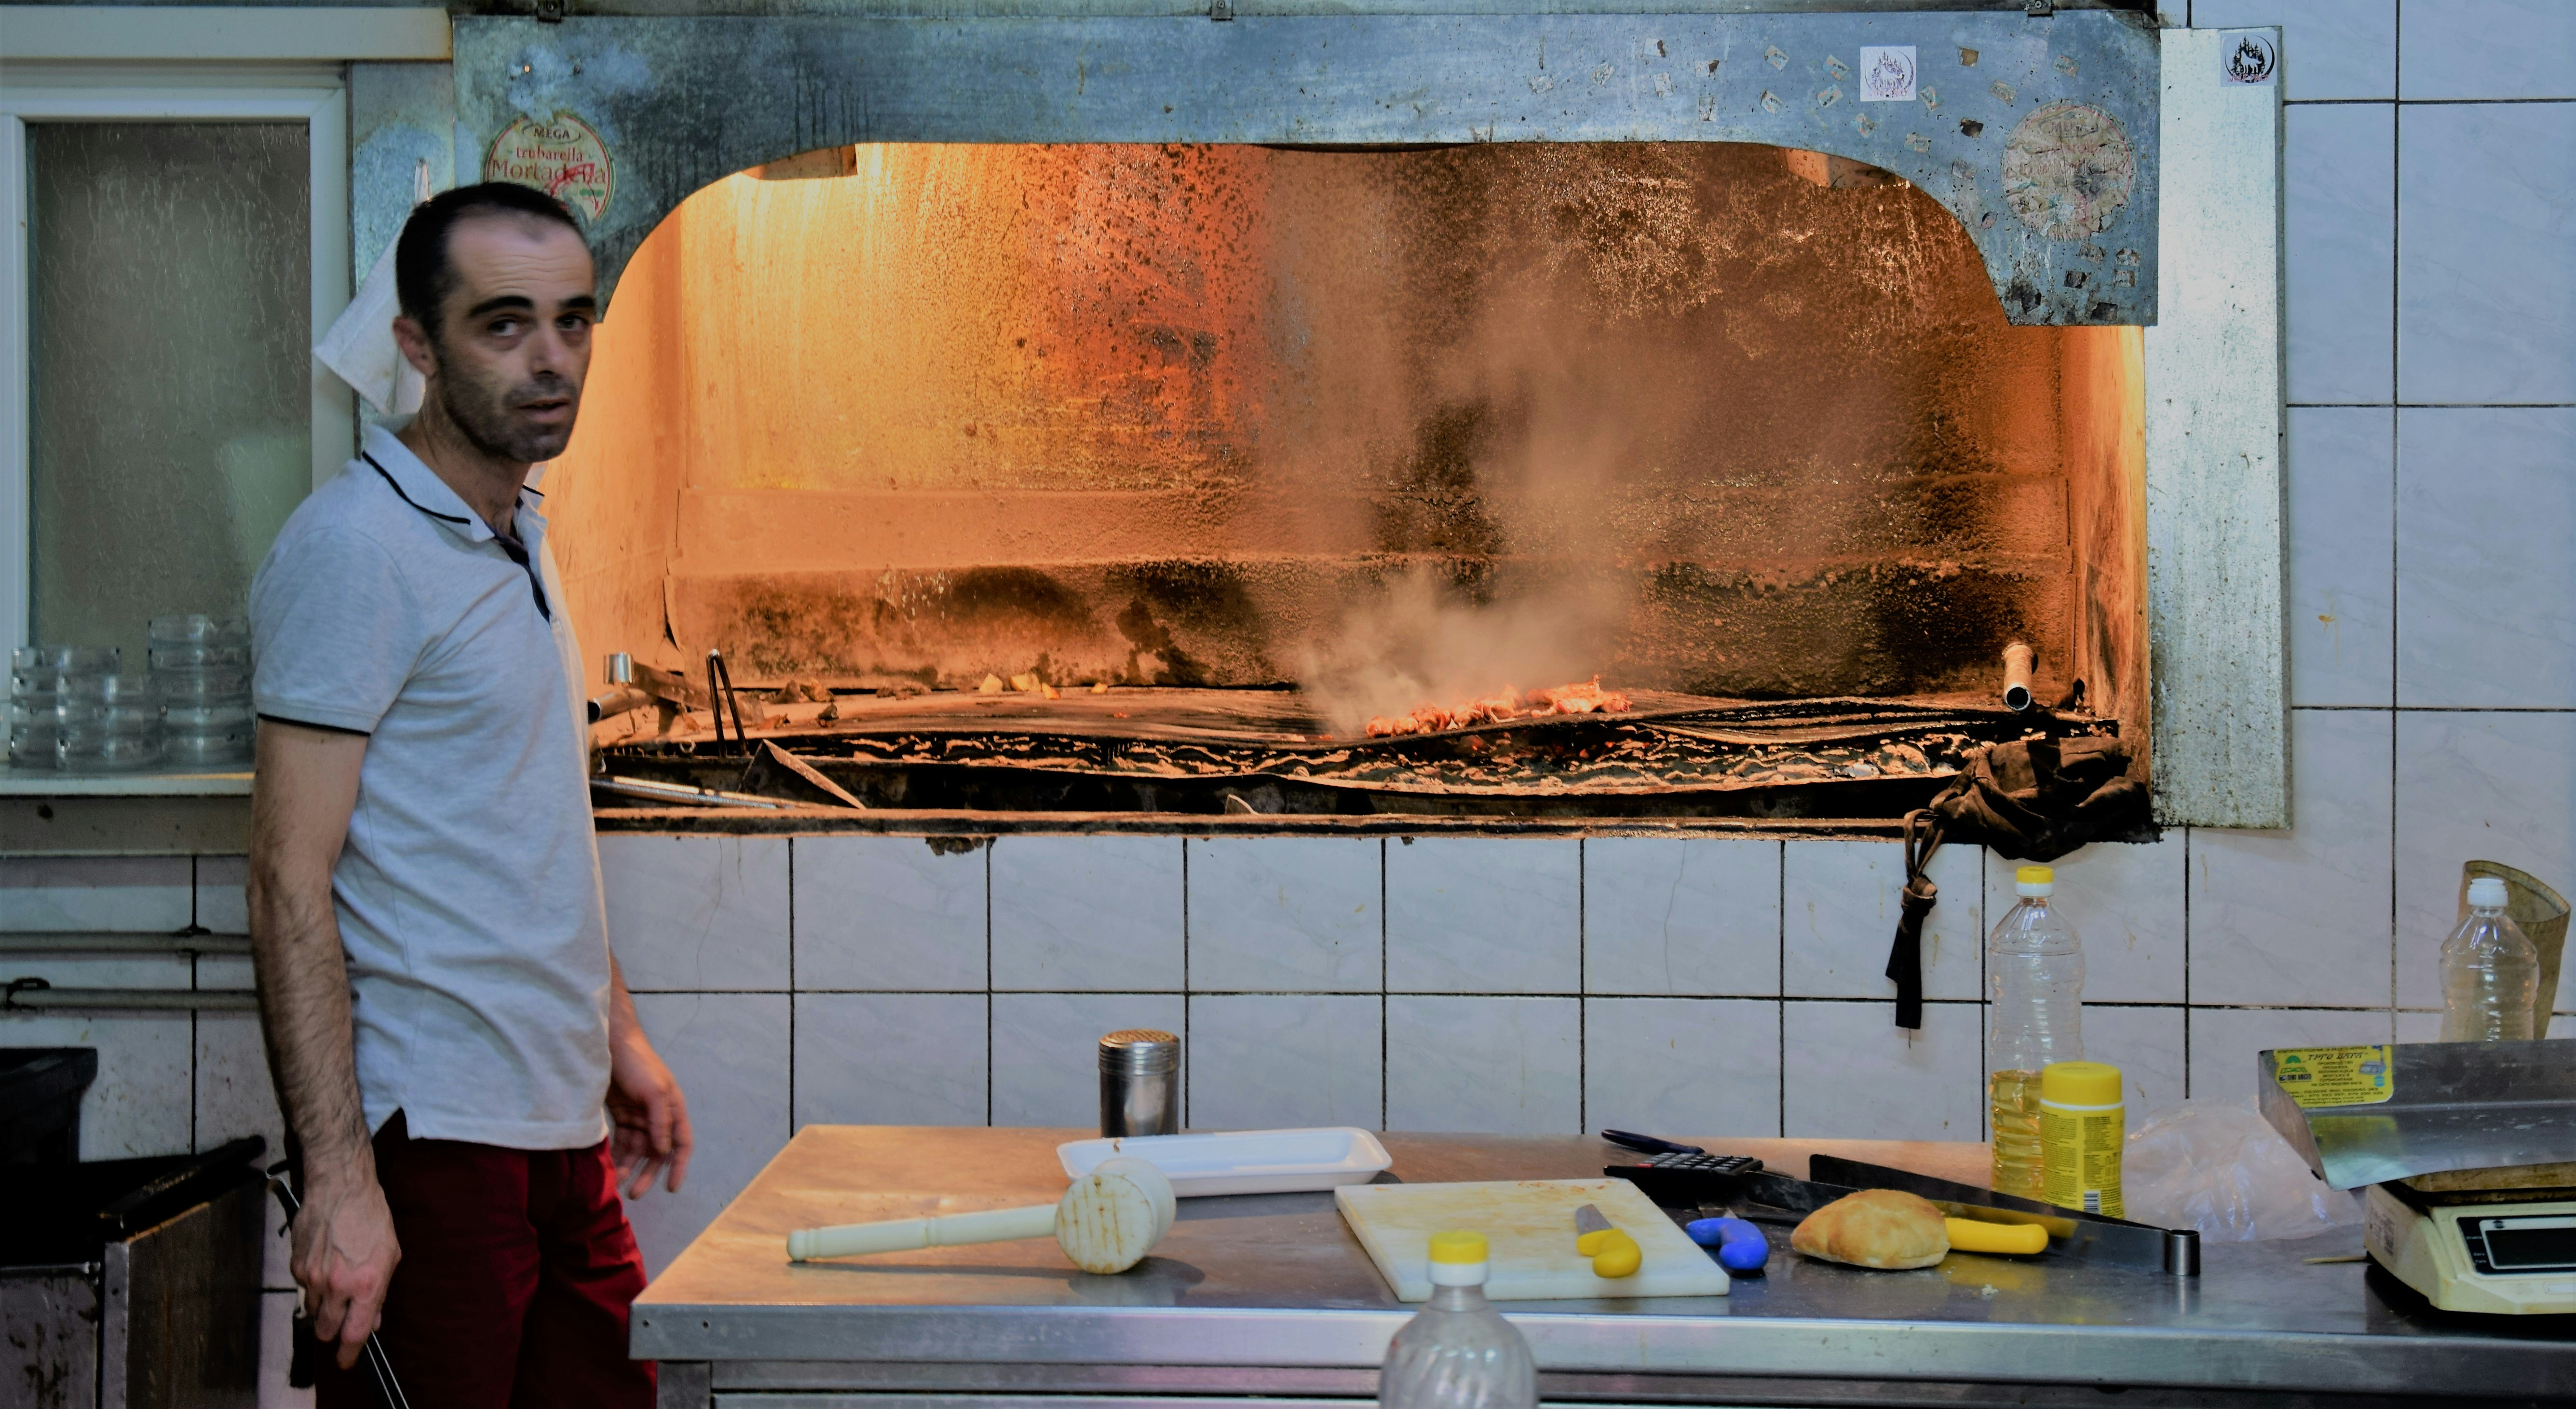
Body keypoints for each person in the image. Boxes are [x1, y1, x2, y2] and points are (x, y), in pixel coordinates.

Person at [247, 181, 689, 1408]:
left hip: (560, 1133)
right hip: (432, 1141)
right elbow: (287, 878)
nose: (551, 359)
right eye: (503, 325)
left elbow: (517, 826)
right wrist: (338, 1179)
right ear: (415, 345)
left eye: (572, 320)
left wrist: (616, 1036)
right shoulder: (357, 550)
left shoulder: (516, 529)